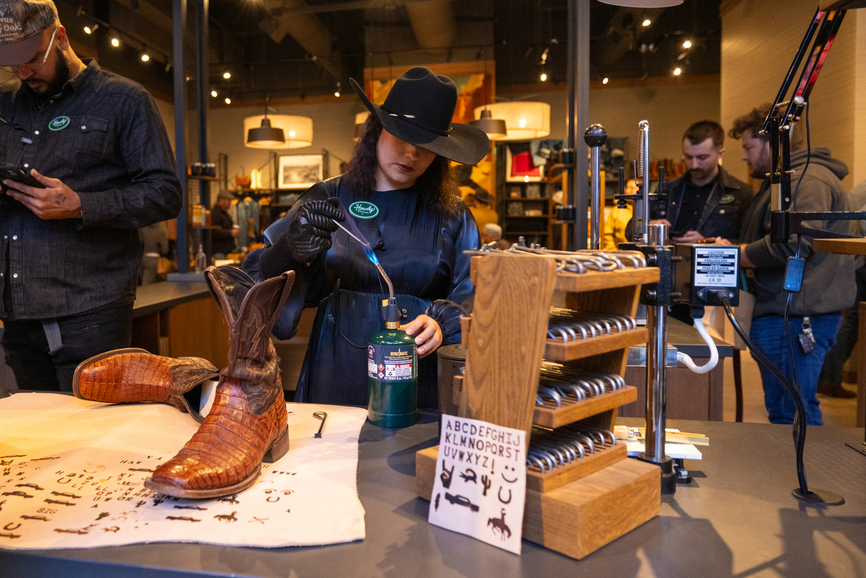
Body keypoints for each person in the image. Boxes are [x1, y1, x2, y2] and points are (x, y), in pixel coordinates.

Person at [242, 67, 489, 408]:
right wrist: (288, 250)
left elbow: (478, 295)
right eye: (401, 136)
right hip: (335, 368)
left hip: (417, 373)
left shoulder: (453, 216)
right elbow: (253, 289)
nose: (411, 155)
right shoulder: (327, 197)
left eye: (426, 146)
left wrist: (443, 324)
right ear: (376, 131)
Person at [0, 0, 183, 392]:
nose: (22, 72)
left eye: (31, 59)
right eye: (11, 64)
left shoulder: (125, 101)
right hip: (16, 314)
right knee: (39, 443)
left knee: (95, 441)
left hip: (89, 313)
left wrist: (79, 204)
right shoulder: (5, 103)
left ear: (61, 39)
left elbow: (165, 194)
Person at [728, 103, 855, 426]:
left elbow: (795, 243)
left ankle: (803, 476)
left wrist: (738, 255)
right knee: (788, 408)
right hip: (785, 312)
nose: (744, 157)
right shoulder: (784, 180)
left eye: (748, 147)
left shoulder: (807, 181)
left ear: (771, 141)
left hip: (796, 316)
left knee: (792, 411)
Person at [649, 120, 753, 244]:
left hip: (713, 262)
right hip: (669, 261)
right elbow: (631, 230)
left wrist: (706, 242)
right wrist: (650, 226)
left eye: (702, 158)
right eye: (688, 157)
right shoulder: (667, 190)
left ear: (720, 154)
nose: (694, 165)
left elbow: (749, 244)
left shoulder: (741, 193)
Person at [602, 179, 637, 250]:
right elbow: (607, 234)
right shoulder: (616, 210)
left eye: (632, 188)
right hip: (621, 253)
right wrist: (614, 251)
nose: (627, 191)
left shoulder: (647, 211)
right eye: (626, 188)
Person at [211, 190, 238, 259]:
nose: (230, 202)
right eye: (228, 200)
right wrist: (230, 233)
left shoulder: (224, 213)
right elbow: (214, 231)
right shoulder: (214, 213)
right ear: (221, 200)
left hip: (226, 251)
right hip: (219, 252)